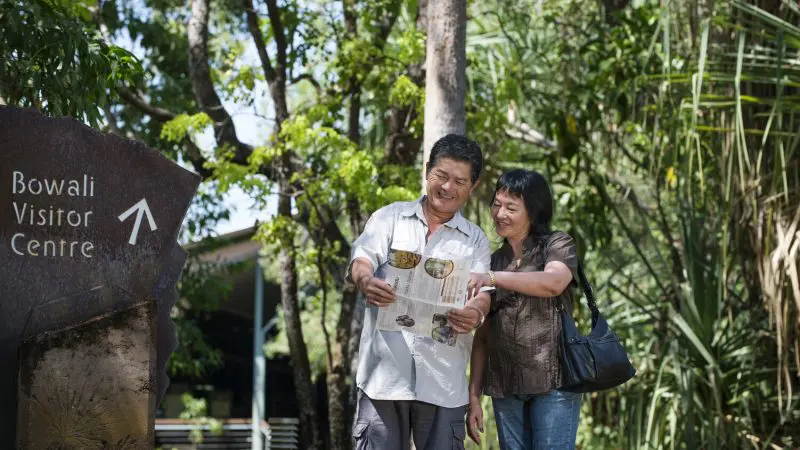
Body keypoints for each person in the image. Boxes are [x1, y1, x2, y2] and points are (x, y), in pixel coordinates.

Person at [347, 134, 492, 450]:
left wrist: (476, 312)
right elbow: (361, 258)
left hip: (444, 381)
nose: (447, 188)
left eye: (459, 181)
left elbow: (483, 292)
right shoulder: (390, 217)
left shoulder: (476, 240)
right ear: (427, 171)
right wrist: (365, 280)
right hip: (383, 382)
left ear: (474, 186)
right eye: (441, 176)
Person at [466, 169, 583, 449]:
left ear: (533, 210)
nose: (499, 213)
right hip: (505, 386)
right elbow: (482, 337)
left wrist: (494, 278)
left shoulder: (557, 245)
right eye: (496, 204)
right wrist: (473, 397)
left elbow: (554, 282)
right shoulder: (493, 260)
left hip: (554, 382)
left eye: (511, 207)